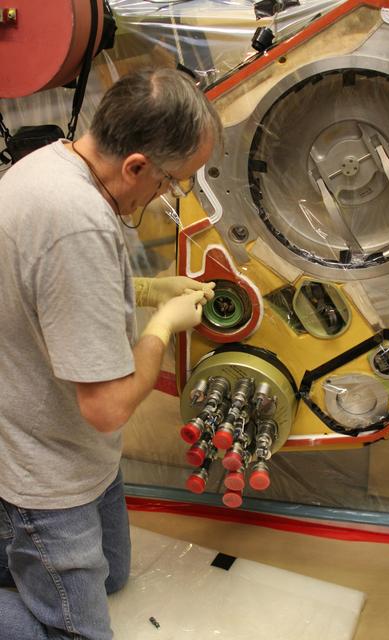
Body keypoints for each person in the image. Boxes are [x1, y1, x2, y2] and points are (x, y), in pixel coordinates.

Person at [0, 67, 222, 639]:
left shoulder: (55, 162)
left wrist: (149, 290)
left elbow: (55, 291)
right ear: (137, 167)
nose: (167, 195)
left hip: (62, 438)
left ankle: (19, 551)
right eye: (172, 182)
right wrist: (162, 326)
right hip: (44, 468)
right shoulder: (76, 222)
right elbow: (108, 408)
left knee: (113, 576)